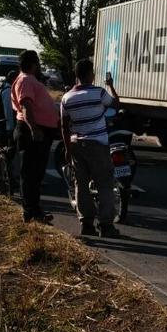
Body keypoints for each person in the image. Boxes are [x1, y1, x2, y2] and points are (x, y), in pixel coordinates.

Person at [61, 59, 121, 238]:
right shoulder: (99, 93)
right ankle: (106, 225)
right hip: (98, 146)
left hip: (77, 145)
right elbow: (116, 105)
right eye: (93, 72)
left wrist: (67, 148)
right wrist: (111, 86)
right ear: (89, 74)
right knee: (104, 184)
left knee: (81, 185)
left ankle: (86, 224)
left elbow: (64, 126)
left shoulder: (66, 98)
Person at [12, 50, 60, 224]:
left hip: (37, 130)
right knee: (31, 173)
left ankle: (34, 209)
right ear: (34, 64)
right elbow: (26, 105)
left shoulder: (28, 79)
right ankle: (30, 210)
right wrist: (34, 129)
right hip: (32, 131)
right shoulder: (25, 79)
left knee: (35, 173)